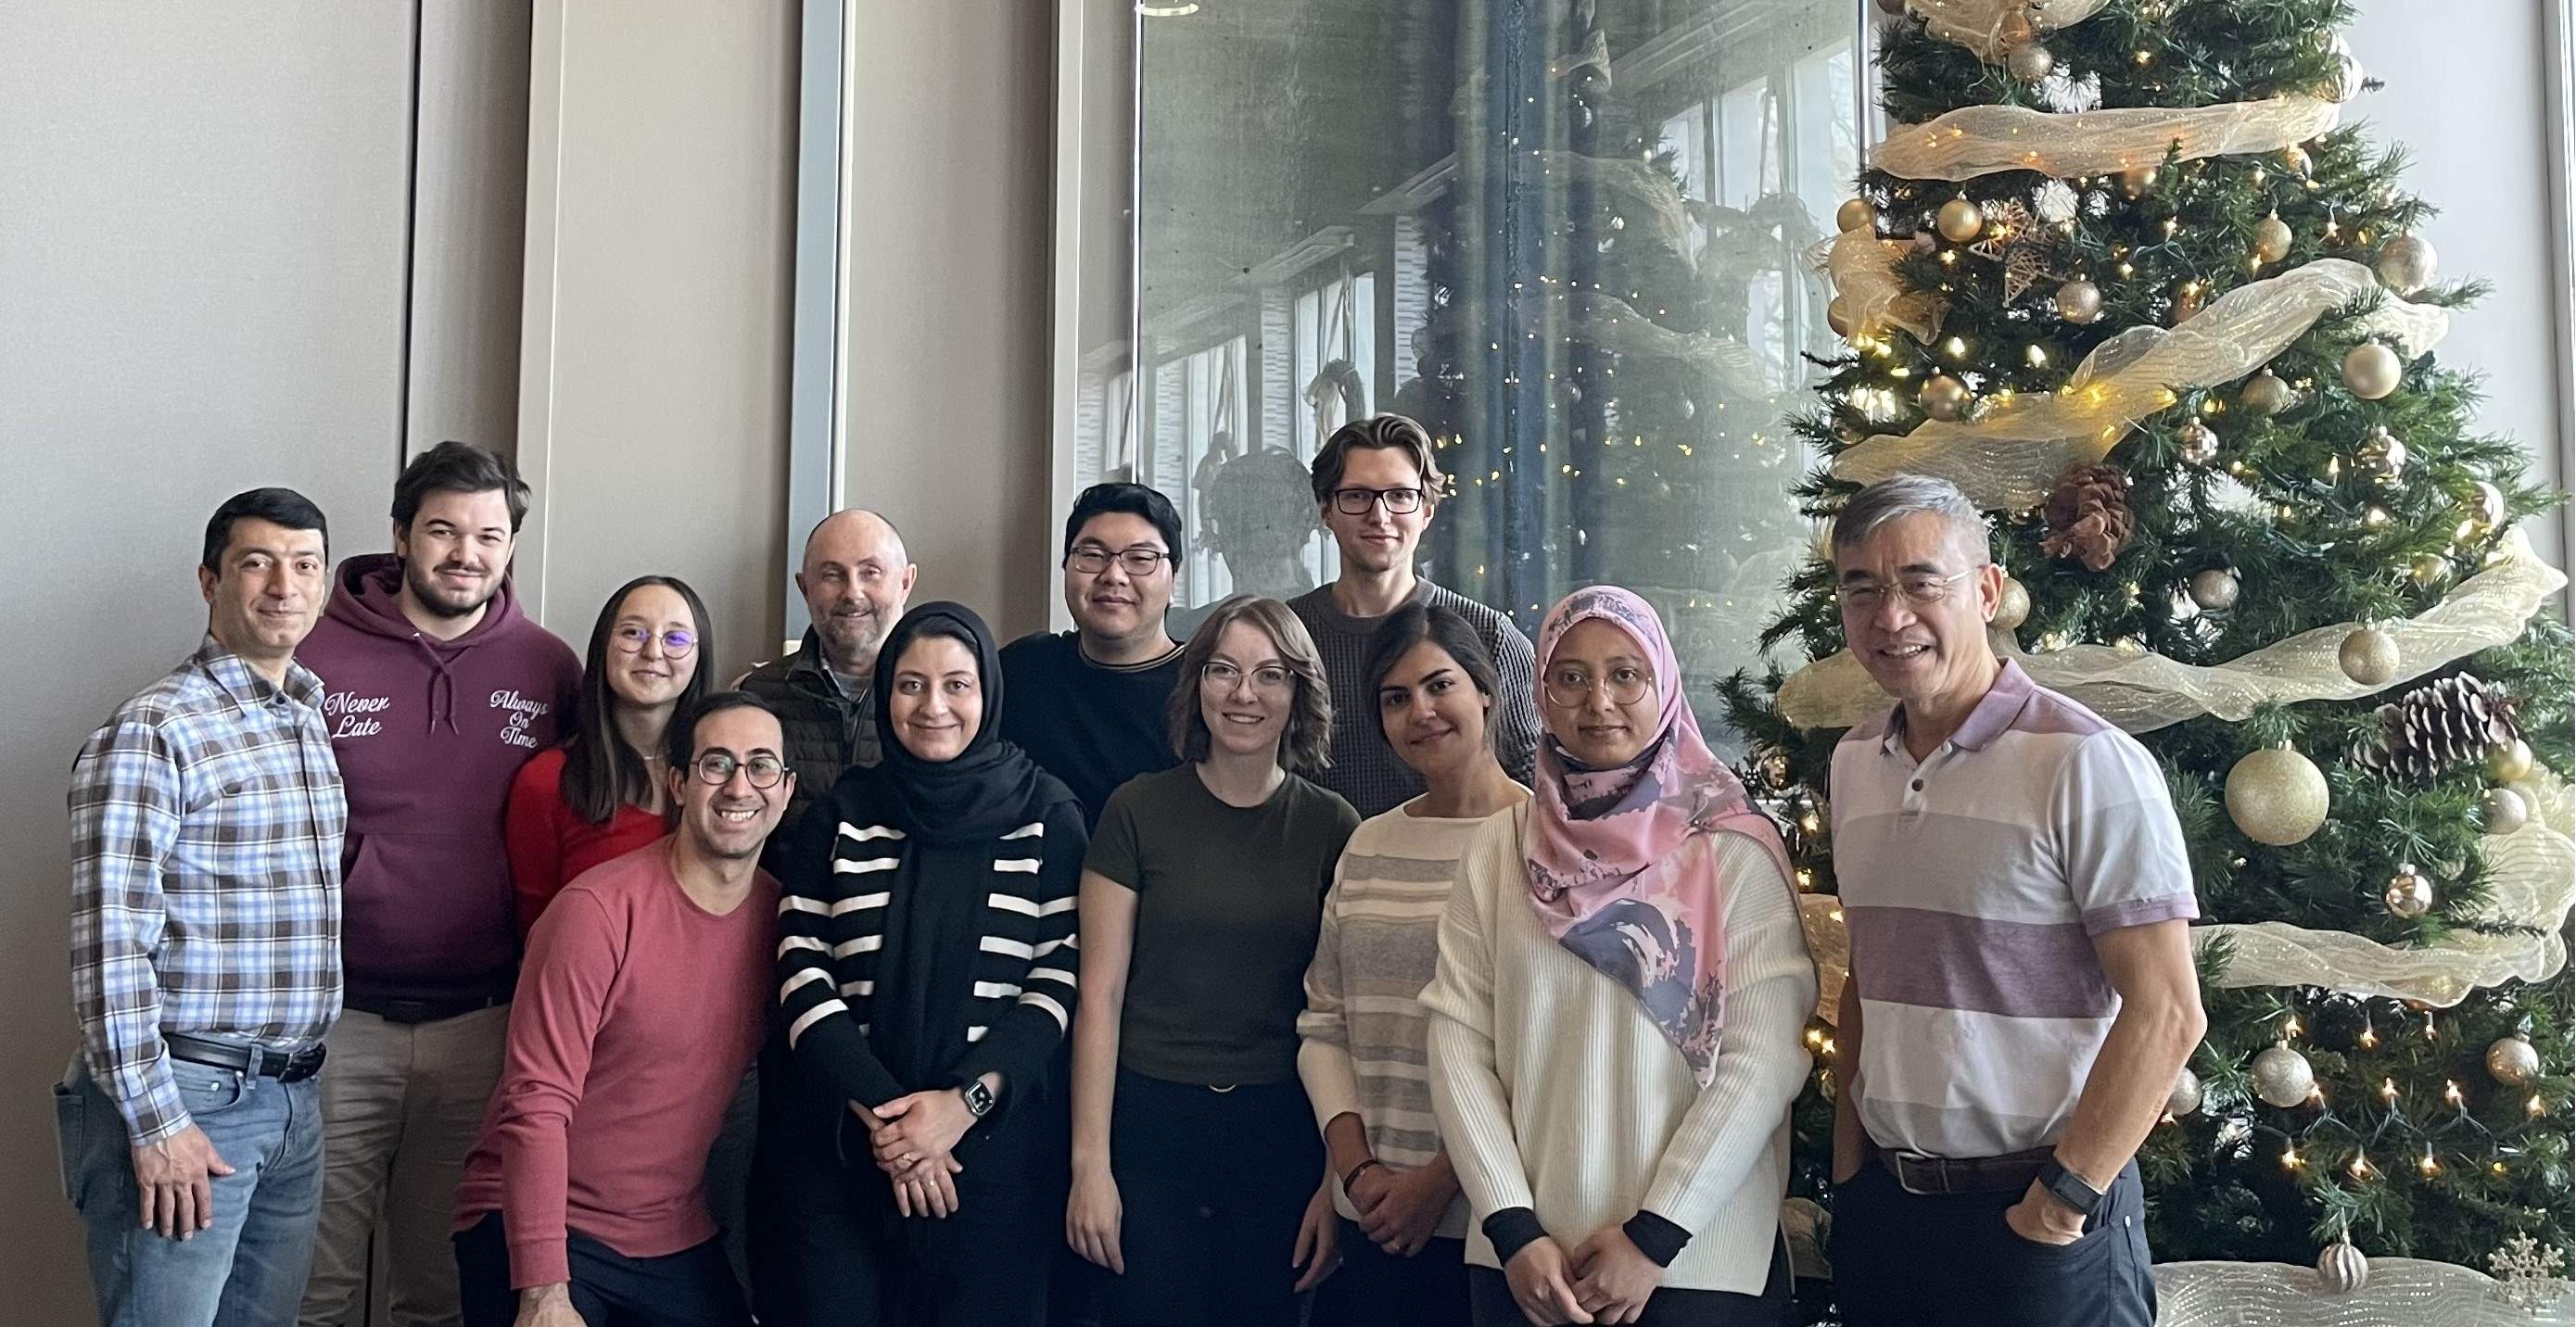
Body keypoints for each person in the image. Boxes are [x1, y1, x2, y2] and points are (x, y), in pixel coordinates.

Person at [1821, 475, 2203, 1327]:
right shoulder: (1852, 764)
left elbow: (2169, 1011)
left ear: (1987, 592)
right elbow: (1868, 981)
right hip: (1889, 1215)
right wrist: (1851, 1175)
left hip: (2037, 1218)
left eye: (1922, 583)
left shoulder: (2086, 763)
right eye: (1862, 589)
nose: (1890, 617)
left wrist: (2057, 1206)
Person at [1423, 585, 1816, 1327]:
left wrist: (1653, 1236)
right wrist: (1511, 1227)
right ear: (1540, 690)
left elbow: (1761, 1062)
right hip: (1527, 1271)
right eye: (1569, 676)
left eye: (1624, 674)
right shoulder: (1499, 849)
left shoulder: (1731, 850)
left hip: (1696, 1265)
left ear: (1662, 683)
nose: (1596, 700)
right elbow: (1456, 1042)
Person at [298, 440, 582, 1327]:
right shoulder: (312, 652)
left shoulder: (548, 668)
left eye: (489, 537)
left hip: (482, 1027)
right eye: (443, 531)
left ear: (510, 547)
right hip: (335, 1024)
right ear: (400, 535)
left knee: (441, 1290)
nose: (466, 554)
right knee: (314, 1288)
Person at [757, 603, 1089, 1326]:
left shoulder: (1048, 815)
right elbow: (801, 972)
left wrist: (957, 1112)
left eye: (956, 685)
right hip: (846, 1155)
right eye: (909, 685)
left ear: (988, 693)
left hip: (994, 1160)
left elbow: (1057, 980)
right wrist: (896, 1125)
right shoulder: (840, 815)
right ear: (885, 696)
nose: (932, 706)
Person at [58, 488, 344, 1327]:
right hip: (188, 1098)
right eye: (257, 563)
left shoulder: (306, 721)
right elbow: (109, 944)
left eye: (304, 566)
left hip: (293, 1100)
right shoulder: (155, 728)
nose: (283, 586)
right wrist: (156, 1125)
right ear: (209, 579)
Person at [451, 692, 793, 1327]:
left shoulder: (784, 923)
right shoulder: (598, 912)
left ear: (786, 788)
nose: (738, 786)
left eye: (761, 766)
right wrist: (544, 1289)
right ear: (679, 783)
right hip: (546, 1222)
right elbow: (536, 1100)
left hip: (672, 1234)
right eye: (715, 764)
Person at [1065, 595, 1363, 1327]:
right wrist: (1088, 1167)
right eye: (1223, 670)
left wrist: (1335, 1184)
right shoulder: (1135, 810)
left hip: (1280, 1129)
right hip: (1148, 1124)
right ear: (1195, 683)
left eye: (1269, 675)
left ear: (1298, 694)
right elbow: (1097, 996)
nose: (1243, 693)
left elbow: (1345, 1019)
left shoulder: (1332, 825)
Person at [1299, 603, 1528, 1327]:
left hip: (1495, 1225)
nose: (1420, 712)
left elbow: (1544, 1051)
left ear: (1485, 691)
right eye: (1395, 699)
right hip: (1370, 1215)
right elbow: (1325, 1023)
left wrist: (1436, 1184)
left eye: (1439, 686)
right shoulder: (1366, 844)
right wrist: (1356, 1173)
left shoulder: (1544, 844)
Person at [1288, 414, 1541, 817]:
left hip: (1465, 871)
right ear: (1325, 510)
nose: (1380, 515)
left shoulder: (1489, 635)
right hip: (1314, 875)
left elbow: (1532, 784)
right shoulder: (1287, 638)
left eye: (1401, 496)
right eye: (1356, 496)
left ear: (1426, 511)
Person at [505, 575, 715, 934]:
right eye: (633, 633)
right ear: (604, 645)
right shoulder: (546, 780)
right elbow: (535, 930)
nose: (653, 652)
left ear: (700, 657)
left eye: (676, 638)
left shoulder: (722, 779)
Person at [1000, 482, 1187, 828]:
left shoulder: (1208, 687)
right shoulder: (1019, 671)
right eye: (1092, 555)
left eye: (1141, 559)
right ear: (1066, 567)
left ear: (1175, 578)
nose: (1114, 575)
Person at [738, 509, 919, 839]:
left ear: (905, 583)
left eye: (871, 572)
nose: (852, 593)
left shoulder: (944, 703)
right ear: (805, 588)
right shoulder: (758, 696)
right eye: (832, 575)